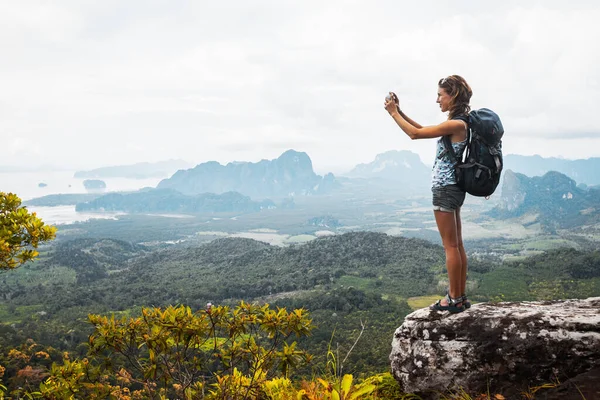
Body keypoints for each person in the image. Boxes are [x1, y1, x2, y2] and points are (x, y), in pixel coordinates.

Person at [384, 75, 472, 313]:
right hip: (454, 187)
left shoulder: (457, 124)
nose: (437, 100)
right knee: (457, 244)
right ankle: (460, 297)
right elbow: (421, 129)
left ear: (452, 95)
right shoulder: (460, 122)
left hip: (446, 188)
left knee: (450, 247)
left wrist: (393, 114)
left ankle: (453, 299)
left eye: (440, 95)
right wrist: (399, 111)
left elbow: (414, 134)